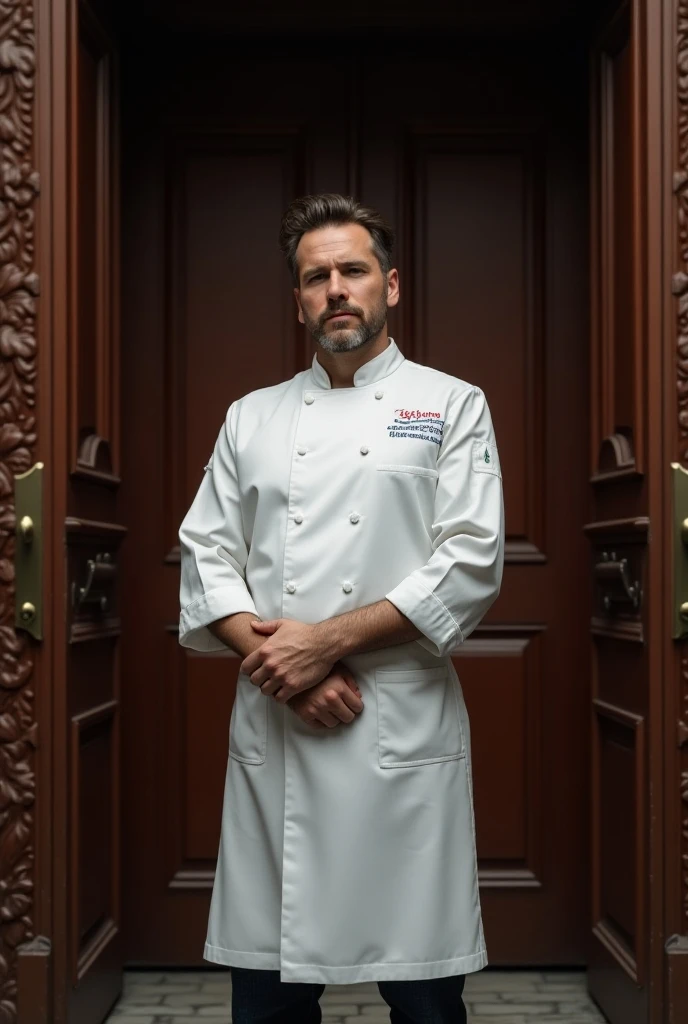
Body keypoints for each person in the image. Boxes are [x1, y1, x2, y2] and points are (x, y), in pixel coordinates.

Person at [178, 193, 505, 1024]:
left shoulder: (451, 404)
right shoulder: (251, 417)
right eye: (315, 276)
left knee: (426, 1000)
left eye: (352, 270)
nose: (335, 289)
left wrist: (320, 644)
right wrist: (291, 674)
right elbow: (207, 558)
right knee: (267, 1002)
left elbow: (468, 560)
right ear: (297, 301)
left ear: (391, 286)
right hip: (280, 725)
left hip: (398, 723)